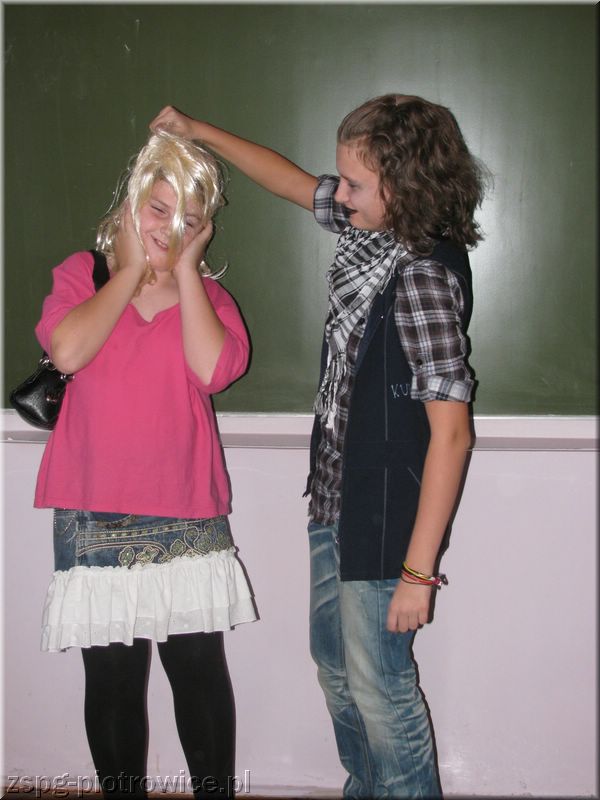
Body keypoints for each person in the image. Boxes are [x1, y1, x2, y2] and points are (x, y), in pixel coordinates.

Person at [151, 94, 487, 798]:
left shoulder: (423, 274)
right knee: (336, 669)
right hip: (335, 502)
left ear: (406, 186)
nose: (340, 194)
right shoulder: (372, 233)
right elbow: (289, 181)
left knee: (381, 687)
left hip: (385, 517)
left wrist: (419, 573)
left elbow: (452, 434)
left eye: (356, 183)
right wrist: (197, 129)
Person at [33, 131, 256, 800]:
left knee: (198, 672)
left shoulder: (208, 297)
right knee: (112, 681)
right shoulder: (83, 274)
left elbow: (214, 370)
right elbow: (68, 351)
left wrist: (185, 271)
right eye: (159, 208)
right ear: (132, 203)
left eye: (189, 217)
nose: (170, 226)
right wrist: (129, 270)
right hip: (94, 511)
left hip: (186, 510)